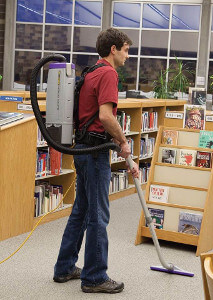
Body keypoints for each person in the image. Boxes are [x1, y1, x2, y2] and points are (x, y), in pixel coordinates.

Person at [53, 28, 139, 294]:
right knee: (98, 215)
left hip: (83, 149)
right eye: (126, 49)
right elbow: (105, 116)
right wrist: (123, 143)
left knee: (81, 211)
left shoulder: (91, 72)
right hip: (94, 153)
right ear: (113, 49)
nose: (127, 55)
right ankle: (94, 277)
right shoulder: (109, 73)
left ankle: (65, 267)